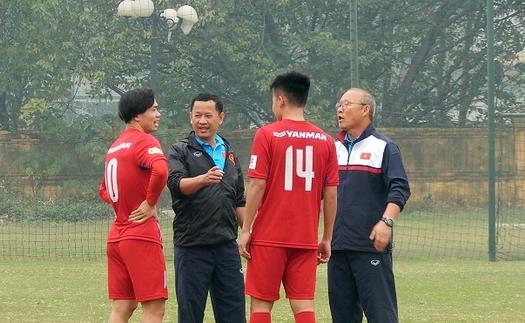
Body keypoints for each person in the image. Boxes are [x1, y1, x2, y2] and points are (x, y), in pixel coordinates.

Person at [239, 71, 339, 323]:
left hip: (268, 236)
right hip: (305, 238)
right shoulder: (326, 141)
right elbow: (330, 194)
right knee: (303, 305)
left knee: (261, 306)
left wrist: (246, 229)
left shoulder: (268, 134)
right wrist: (326, 237)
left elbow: (257, 185)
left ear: (280, 100)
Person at [328, 88, 411, 323]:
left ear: (366, 110)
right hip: (337, 248)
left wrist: (387, 221)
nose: (340, 110)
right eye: (339, 105)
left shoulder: (384, 147)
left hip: (370, 247)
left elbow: (400, 188)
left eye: (346, 104)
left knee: (381, 315)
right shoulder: (332, 149)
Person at [166, 93, 246, 323]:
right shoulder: (180, 150)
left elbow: (239, 199)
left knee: (234, 313)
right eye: (197, 115)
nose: (202, 121)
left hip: (226, 248)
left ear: (220, 117)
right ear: (190, 118)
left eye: (208, 115)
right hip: (192, 247)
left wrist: (250, 233)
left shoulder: (228, 153)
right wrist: (202, 179)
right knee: (190, 314)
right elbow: (176, 185)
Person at [98, 87, 168, 323]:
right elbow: (161, 169)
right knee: (154, 309)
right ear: (138, 115)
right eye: (154, 109)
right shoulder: (143, 141)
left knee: (122, 307)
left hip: (117, 236)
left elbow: (104, 190)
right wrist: (149, 203)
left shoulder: (115, 148)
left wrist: (125, 204)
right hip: (140, 236)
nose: (158, 114)